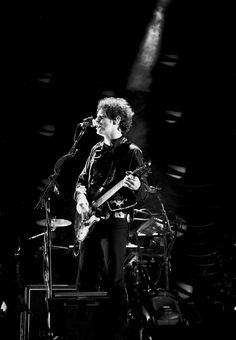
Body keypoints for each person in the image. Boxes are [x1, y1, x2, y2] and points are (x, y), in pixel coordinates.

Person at [73, 96, 150, 339]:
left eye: (100, 118)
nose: (95, 121)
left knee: (113, 278)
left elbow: (144, 193)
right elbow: (81, 182)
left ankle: (115, 330)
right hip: (91, 221)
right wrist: (81, 199)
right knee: (84, 275)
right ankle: (82, 327)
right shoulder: (95, 150)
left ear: (117, 120)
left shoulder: (132, 152)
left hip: (115, 221)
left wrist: (137, 184)